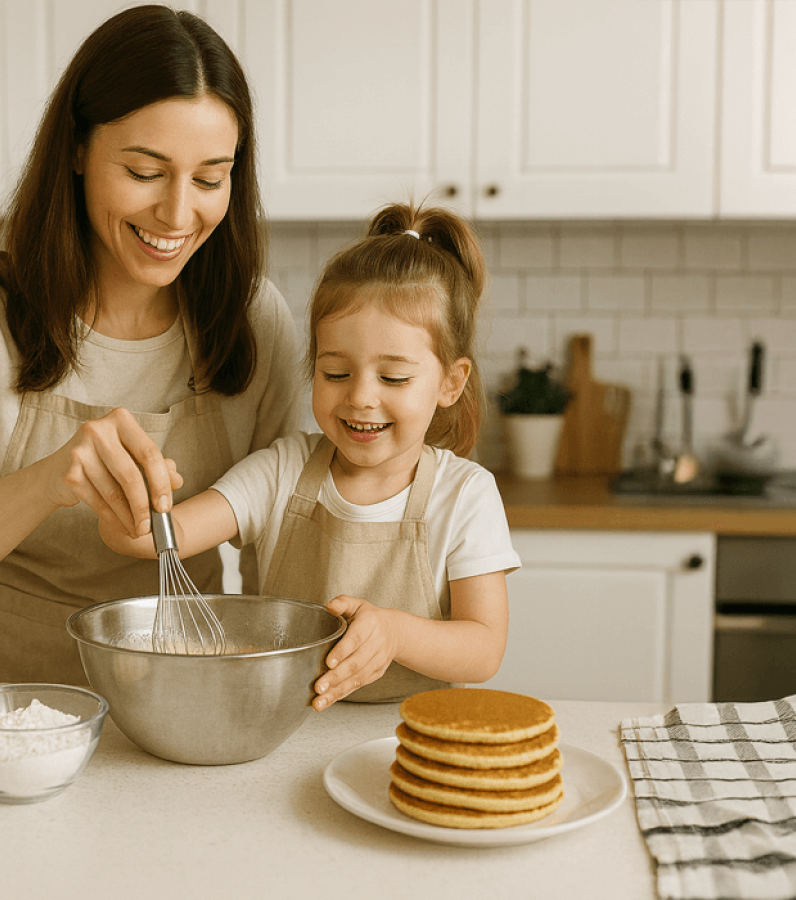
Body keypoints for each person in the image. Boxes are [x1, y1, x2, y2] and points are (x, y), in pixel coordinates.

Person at [0, 6, 303, 683]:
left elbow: (283, 533)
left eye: (211, 177)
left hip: (187, 692)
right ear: (76, 149)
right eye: (144, 171)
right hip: (5, 701)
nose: (178, 213)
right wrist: (50, 479)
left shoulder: (254, 319)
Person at [101, 201, 521, 710]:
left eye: (393, 377)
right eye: (336, 373)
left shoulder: (465, 495)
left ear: (451, 382)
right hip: (281, 728)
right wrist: (131, 511)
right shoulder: (282, 470)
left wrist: (394, 633)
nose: (361, 396)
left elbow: (483, 649)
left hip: (407, 738)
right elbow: (171, 535)